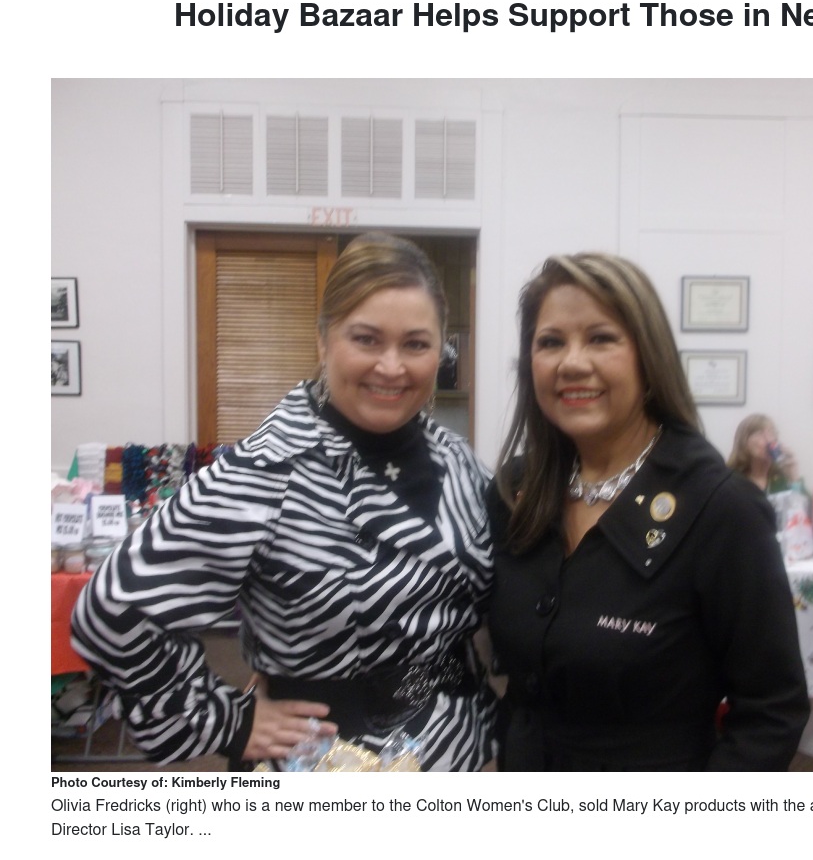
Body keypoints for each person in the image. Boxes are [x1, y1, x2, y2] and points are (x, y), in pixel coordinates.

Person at [72, 233, 495, 771]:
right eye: (366, 339)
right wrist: (228, 722)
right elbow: (113, 610)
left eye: (416, 344)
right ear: (323, 341)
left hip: (458, 743)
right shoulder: (267, 469)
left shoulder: (458, 460)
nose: (392, 367)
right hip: (329, 759)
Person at [486, 252, 809, 771]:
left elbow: (772, 711)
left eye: (601, 338)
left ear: (648, 357)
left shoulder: (721, 509)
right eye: (550, 342)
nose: (572, 362)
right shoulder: (516, 491)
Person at [727, 414, 804, 496]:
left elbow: (803, 503)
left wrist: (793, 478)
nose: (769, 440)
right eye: (759, 434)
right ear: (744, 442)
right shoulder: (731, 480)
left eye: (771, 433)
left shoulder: (782, 477)